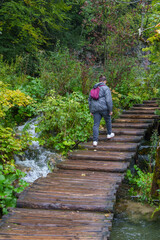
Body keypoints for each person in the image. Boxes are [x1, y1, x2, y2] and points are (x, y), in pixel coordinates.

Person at [88, 75, 115, 147]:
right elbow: (108, 100)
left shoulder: (94, 88)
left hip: (95, 109)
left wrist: (91, 110)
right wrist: (110, 109)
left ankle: (95, 141)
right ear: (105, 81)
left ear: (99, 81)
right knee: (108, 120)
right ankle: (109, 134)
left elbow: (89, 100)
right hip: (104, 108)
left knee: (96, 124)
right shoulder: (106, 88)